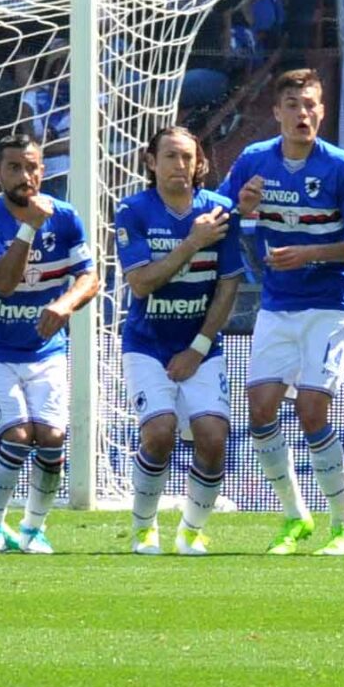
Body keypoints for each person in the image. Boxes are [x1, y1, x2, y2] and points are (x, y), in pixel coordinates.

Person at [218, 69, 344, 555]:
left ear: (322, 112)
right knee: (260, 408)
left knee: (310, 409)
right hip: (279, 302)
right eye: (293, 105)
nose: (302, 114)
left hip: (332, 303)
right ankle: (294, 516)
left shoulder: (343, 168)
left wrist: (309, 254)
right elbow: (224, 213)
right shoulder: (253, 160)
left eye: (310, 105)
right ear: (277, 111)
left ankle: (343, 524)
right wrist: (239, 207)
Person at [0, 132, 101, 555]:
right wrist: (28, 228)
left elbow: (91, 277)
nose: (26, 176)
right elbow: (2, 284)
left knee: (53, 436)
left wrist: (65, 304)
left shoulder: (66, 216)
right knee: (19, 435)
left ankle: (34, 529)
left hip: (43, 347)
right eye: (15, 168)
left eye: (33, 166)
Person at [113, 126, 244, 556]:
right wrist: (192, 242)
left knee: (212, 437)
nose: (180, 166)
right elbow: (141, 284)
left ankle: (191, 529)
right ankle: (143, 526)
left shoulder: (221, 211)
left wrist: (199, 348)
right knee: (159, 433)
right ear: (151, 162)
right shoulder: (132, 210)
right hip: (147, 343)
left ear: (200, 163)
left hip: (200, 347)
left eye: (187, 157)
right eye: (170, 156)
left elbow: (228, 285)